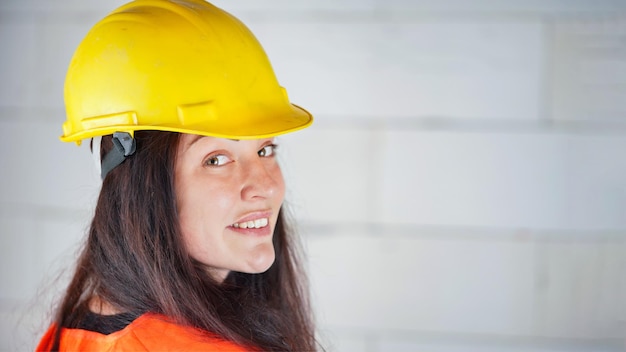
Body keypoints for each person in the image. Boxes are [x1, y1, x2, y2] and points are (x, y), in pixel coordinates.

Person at [36, 0, 317, 351]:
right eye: (216, 159)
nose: (265, 185)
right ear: (140, 187)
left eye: (265, 150)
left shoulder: (72, 336)